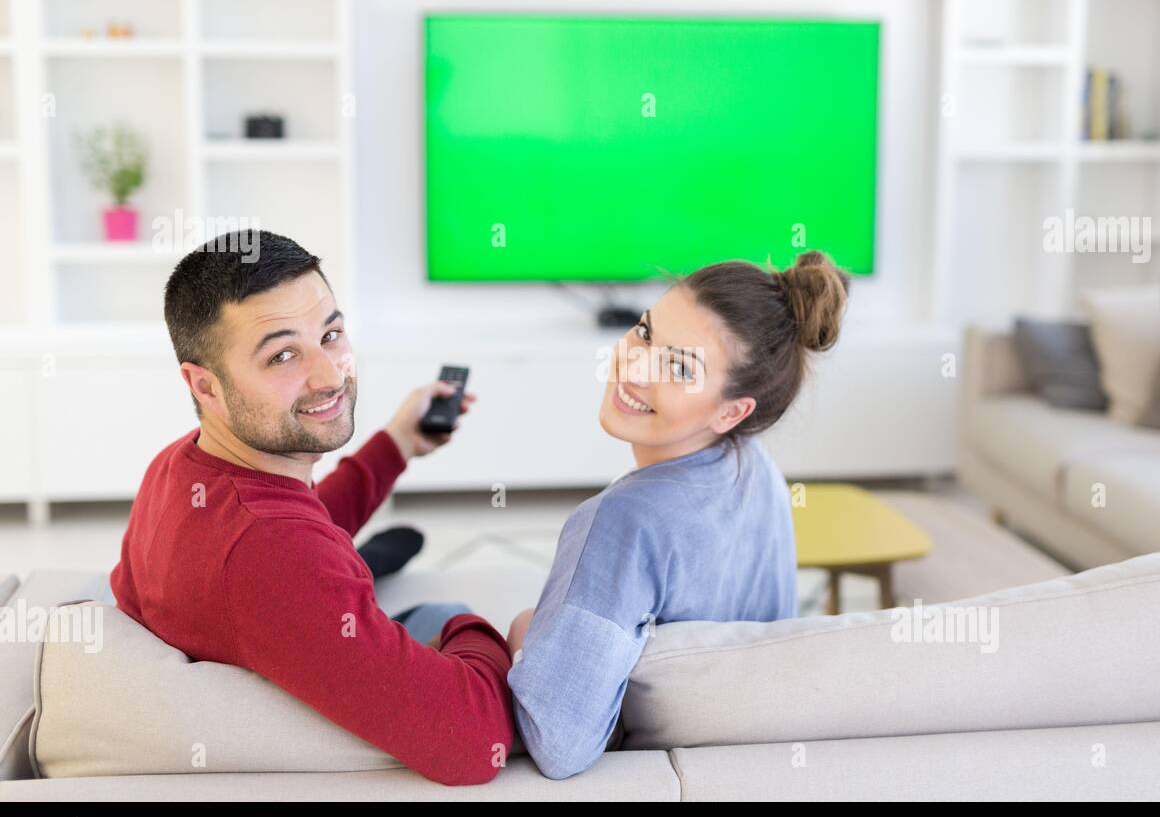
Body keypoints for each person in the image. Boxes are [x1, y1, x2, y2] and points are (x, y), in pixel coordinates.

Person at [110, 229, 512, 785]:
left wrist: (396, 443)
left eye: (331, 333)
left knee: (341, 550)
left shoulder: (181, 465)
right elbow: (474, 741)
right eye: (282, 355)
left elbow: (296, 520)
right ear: (204, 386)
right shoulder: (273, 556)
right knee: (444, 609)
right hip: (290, 605)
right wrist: (475, 629)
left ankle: (363, 560)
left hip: (273, 606)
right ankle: (378, 573)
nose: (329, 375)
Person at [506, 250, 849, 779]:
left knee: (449, 621)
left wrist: (522, 631)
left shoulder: (622, 521)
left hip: (665, 764)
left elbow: (558, 741)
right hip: (746, 762)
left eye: (680, 367)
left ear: (732, 411)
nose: (634, 366)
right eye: (644, 333)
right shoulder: (756, 468)